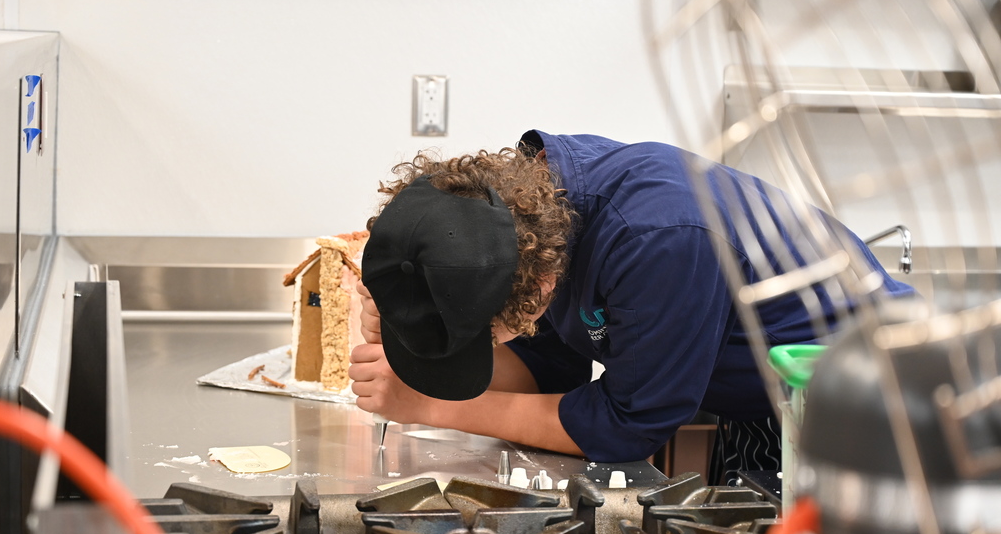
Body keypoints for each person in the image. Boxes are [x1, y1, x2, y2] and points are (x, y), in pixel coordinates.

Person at [348, 130, 915, 483]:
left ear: (541, 285)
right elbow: (550, 367)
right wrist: (417, 349)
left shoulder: (657, 238)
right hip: (760, 399)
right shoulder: (527, 223)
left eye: (484, 336)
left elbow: (628, 423)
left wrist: (431, 404)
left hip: (866, 404)